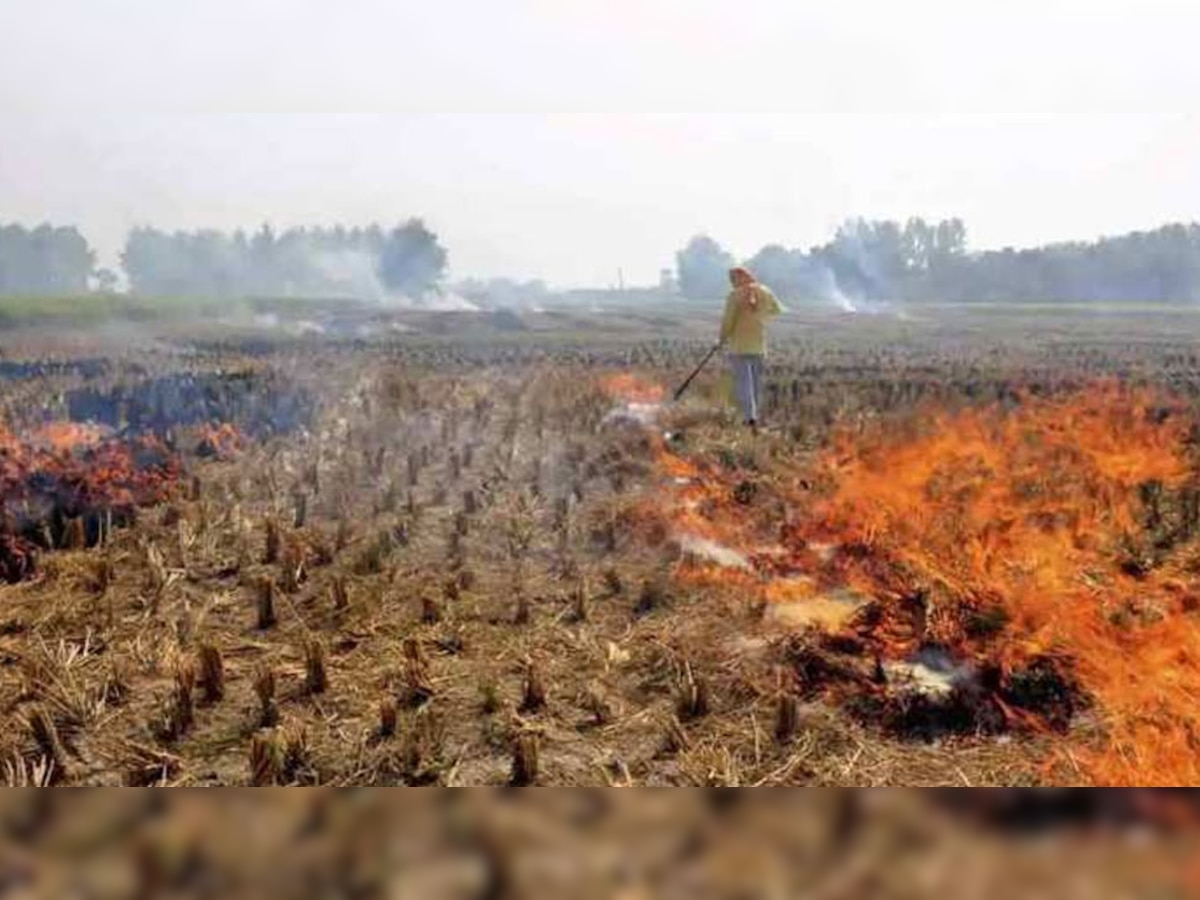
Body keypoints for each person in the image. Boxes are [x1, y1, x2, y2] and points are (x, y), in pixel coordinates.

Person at [718, 266, 783, 430]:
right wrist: (760, 317)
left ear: (739, 278)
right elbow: (777, 310)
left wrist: (721, 339)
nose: (731, 283)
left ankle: (749, 418)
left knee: (743, 384)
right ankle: (753, 417)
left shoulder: (734, 296)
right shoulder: (765, 292)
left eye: (733, 279)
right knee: (754, 385)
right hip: (758, 346)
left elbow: (728, 321)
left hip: (739, 347)